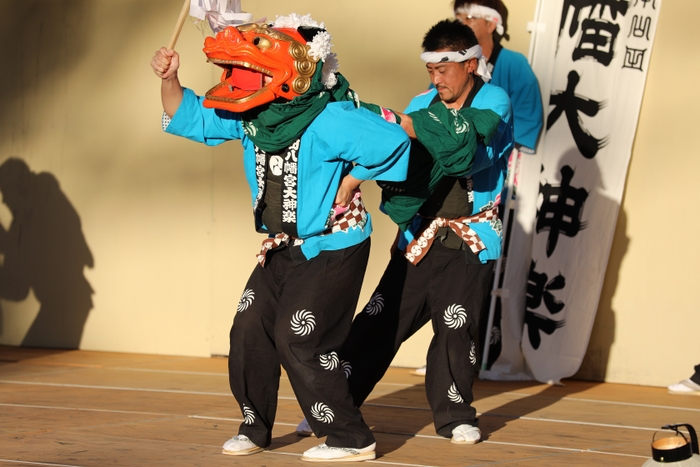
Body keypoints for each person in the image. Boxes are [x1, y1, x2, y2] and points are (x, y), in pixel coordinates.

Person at [150, 13, 410, 462]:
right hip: (282, 244)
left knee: (299, 336)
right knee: (249, 329)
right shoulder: (253, 114)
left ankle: (351, 438)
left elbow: (395, 143)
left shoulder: (330, 119)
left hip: (333, 243)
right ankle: (254, 426)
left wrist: (352, 181)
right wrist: (171, 78)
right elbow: (189, 115)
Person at [295, 19, 514, 443]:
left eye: (444, 69)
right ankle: (334, 411)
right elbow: (392, 146)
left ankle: (456, 416)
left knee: (456, 327)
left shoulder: (495, 100)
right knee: (377, 323)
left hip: (468, 237)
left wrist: (408, 122)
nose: (436, 79)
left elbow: (463, 148)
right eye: (431, 70)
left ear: (470, 64)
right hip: (419, 236)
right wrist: (355, 176)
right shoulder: (421, 102)